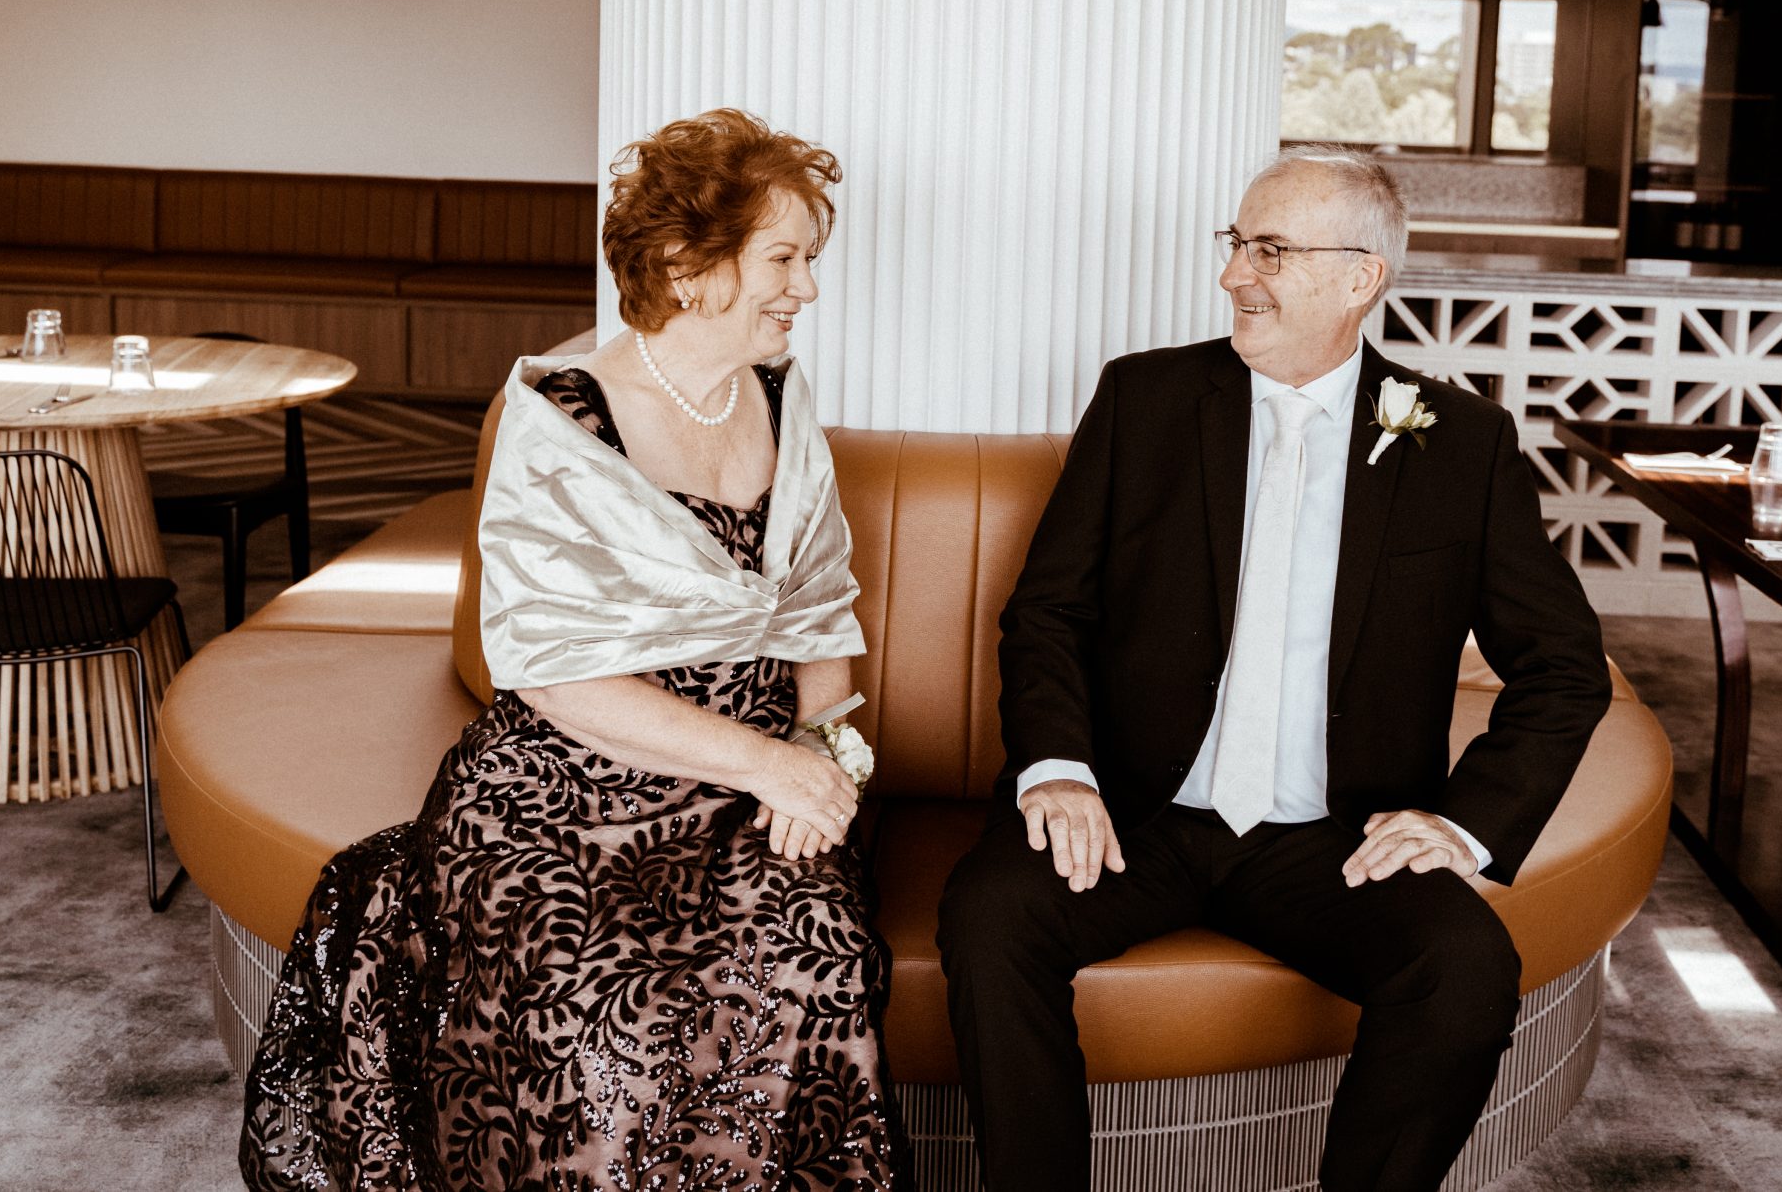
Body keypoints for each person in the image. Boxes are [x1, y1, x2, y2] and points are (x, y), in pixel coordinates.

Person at [242, 109, 899, 1191]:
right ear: (687, 267)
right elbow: (553, 674)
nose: (808, 288)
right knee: (594, 1006)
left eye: (808, 260)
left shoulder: (780, 395)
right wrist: (769, 763)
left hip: (750, 785)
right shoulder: (561, 415)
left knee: (812, 954)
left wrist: (819, 750)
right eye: (783, 259)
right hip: (571, 779)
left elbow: (820, 605)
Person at [938, 145, 1611, 1192]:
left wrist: (1462, 824)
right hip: (1133, 815)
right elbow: (1049, 611)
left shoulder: (1460, 442)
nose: (1232, 275)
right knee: (991, 920)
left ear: (1360, 279)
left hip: (1334, 841)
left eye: (1269, 251)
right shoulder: (1144, 398)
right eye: (1237, 243)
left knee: (1464, 970)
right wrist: (1058, 768)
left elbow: (1564, 666)